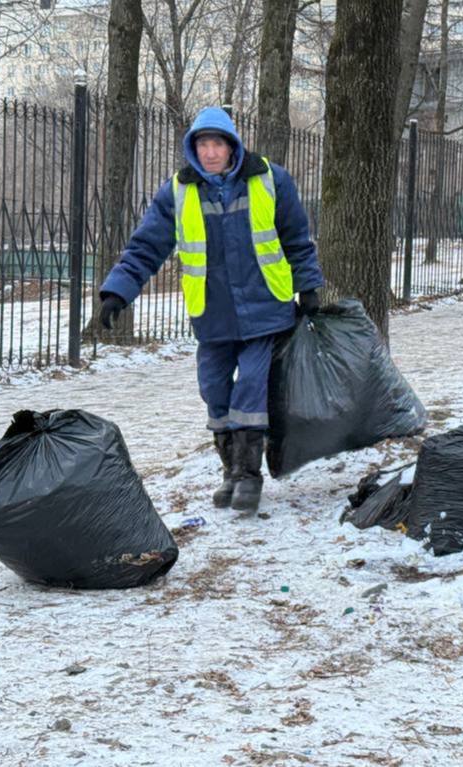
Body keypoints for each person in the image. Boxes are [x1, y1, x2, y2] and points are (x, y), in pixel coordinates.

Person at [98, 106, 324, 514]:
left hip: (265, 308)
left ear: (232, 145)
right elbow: (146, 247)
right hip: (213, 313)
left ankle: (249, 475)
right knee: (214, 389)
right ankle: (231, 471)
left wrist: (308, 286)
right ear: (193, 149)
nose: (210, 152)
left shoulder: (270, 179)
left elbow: (297, 238)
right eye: (202, 145)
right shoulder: (178, 191)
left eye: (217, 144)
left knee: (251, 385)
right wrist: (117, 291)